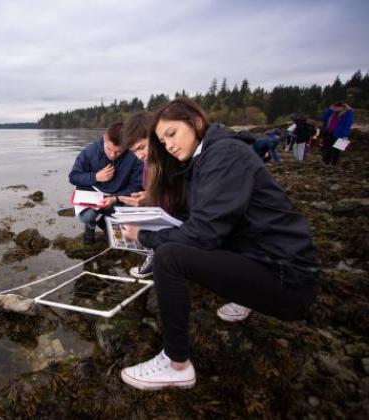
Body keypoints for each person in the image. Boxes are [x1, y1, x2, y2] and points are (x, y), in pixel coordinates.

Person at [119, 98, 319, 390]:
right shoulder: (204, 158)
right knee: (186, 244)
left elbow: (203, 234)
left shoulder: (224, 154)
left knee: (169, 257)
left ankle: (176, 363)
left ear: (196, 122)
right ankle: (247, 296)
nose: (168, 145)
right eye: (162, 141)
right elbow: (204, 220)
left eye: (172, 134)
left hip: (288, 280)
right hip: (267, 263)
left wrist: (143, 236)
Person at [69, 122, 143, 244]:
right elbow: (73, 177)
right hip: (93, 197)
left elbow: (136, 186)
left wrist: (115, 198)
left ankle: (106, 221)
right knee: (86, 217)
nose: (113, 155)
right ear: (104, 138)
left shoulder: (134, 156)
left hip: (118, 197)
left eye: (118, 151)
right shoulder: (89, 152)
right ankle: (90, 225)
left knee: (118, 241)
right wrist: (95, 177)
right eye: (109, 149)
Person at [118, 111, 156, 278]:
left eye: (141, 147)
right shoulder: (148, 164)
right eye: (134, 151)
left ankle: (156, 256)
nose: (139, 155)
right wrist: (146, 196)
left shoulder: (173, 159)